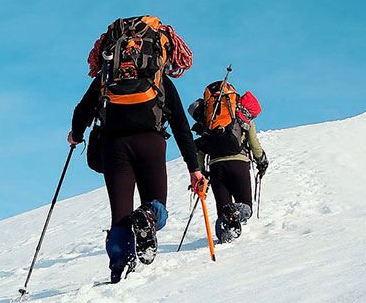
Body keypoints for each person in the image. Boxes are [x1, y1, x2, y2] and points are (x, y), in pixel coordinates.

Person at [68, 16, 206, 282]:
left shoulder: (106, 79)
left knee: (119, 214)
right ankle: (148, 216)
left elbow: (81, 111)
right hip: (150, 143)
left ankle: (119, 266)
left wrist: (76, 135)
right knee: (156, 204)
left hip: (114, 145)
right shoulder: (159, 81)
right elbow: (181, 126)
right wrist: (195, 169)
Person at [191, 81, 269, 243]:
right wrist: (261, 160)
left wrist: (201, 172)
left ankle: (225, 237)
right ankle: (235, 214)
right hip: (239, 163)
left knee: (223, 210)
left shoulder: (209, 118)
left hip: (216, 167)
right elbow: (253, 143)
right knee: (245, 207)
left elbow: (200, 148)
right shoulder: (242, 116)